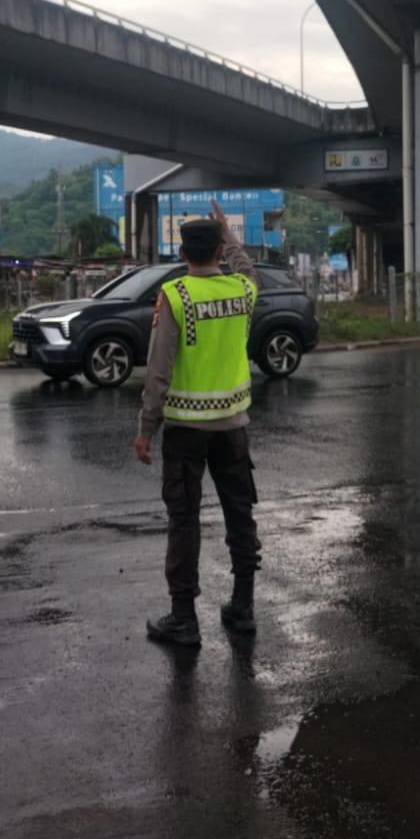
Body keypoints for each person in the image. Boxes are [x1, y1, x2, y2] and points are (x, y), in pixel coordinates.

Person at [134, 200, 261, 648]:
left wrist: (146, 429)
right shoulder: (242, 290)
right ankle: (243, 606)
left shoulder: (175, 296)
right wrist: (230, 234)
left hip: (185, 430)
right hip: (233, 426)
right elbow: (247, 268)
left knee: (184, 519)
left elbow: (158, 370)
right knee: (239, 513)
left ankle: (184, 618)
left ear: (183, 253)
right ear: (219, 250)